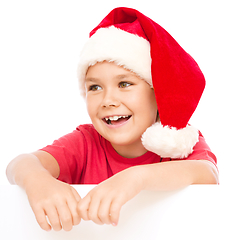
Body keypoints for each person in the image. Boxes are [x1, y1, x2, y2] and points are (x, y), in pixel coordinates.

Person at [6, 7, 219, 232]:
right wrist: (38, 181)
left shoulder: (179, 140)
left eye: (124, 84)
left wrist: (136, 178)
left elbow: (208, 174)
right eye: (95, 87)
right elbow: (19, 164)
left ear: (157, 93)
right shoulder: (85, 142)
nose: (108, 100)